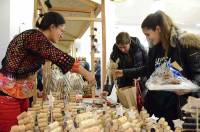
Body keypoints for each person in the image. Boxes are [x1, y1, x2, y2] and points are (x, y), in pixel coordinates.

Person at [0, 12, 95, 131]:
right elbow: (61, 58)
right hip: (7, 95)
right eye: (61, 30)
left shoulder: (39, 41)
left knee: (22, 128)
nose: (61, 35)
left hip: (21, 95)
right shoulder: (35, 37)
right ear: (52, 27)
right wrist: (88, 74)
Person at [141, 10, 200, 129]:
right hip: (155, 108)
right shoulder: (154, 48)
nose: (147, 38)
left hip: (178, 109)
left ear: (158, 29)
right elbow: (150, 72)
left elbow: (198, 74)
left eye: (148, 34)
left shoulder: (185, 43)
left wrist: (188, 89)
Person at [103, 32, 148, 96]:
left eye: (124, 47)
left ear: (129, 42)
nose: (122, 50)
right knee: (122, 106)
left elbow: (148, 65)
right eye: (120, 47)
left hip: (141, 86)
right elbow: (111, 73)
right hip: (124, 87)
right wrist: (106, 90)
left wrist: (142, 76)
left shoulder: (140, 48)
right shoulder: (114, 54)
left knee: (142, 105)